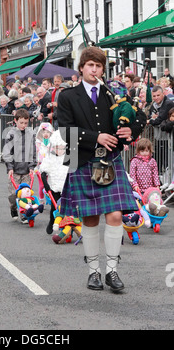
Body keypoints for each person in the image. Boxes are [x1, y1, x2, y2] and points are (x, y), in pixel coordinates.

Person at [57, 46, 146, 292]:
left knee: (116, 216)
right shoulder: (67, 96)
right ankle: (94, 272)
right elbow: (64, 130)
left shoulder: (112, 93)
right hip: (83, 160)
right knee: (90, 218)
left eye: (98, 66)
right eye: (90, 65)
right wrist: (96, 137)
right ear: (81, 68)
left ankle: (112, 271)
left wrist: (132, 130)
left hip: (110, 161)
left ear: (102, 69)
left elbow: (139, 116)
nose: (94, 70)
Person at [2, 108, 36, 222]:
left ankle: (24, 214)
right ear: (15, 121)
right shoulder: (11, 134)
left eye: (26, 123)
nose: (23, 125)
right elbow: (7, 151)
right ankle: (13, 208)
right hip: (15, 169)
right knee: (13, 194)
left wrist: (32, 166)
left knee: (25, 194)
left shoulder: (31, 134)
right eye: (21, 122)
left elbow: (33, 151)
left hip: (26, 169)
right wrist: (10, 167)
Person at [39, 130, 68, 234]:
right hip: (54, 186)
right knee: (54, 207)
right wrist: (46, 185)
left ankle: (68, 225)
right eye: (57, 147)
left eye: (61, 148)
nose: (59, 150)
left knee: (68, 207)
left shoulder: (69, 157)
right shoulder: (50, 157)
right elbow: (43, 171)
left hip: (66, 186)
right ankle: (52, 221)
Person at [35, 122, 54, 204]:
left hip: (50, 166)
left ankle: (49, 198)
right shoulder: (38, 143)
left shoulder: (53, 143)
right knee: (42, 184)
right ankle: (41, 199)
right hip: (41, 166)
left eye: (47, 132)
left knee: (49, 183)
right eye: (43, 132)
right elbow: (37, 154)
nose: (45, 134)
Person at [161, 107, 174, 191]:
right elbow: (163, 126)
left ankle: (172, 182)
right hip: (171, 148)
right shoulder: (167, 122)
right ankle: (168, 182)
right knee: (170, 165)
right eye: (172, 116)